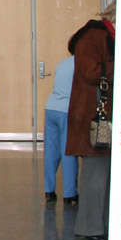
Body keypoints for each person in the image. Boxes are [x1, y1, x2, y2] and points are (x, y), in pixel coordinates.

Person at [65, 2, 116, 240]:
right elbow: (93, 72)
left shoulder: (103, 35)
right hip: (93, 118)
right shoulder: (95, 35)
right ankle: (91, 227)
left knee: (103, 174)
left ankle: (101, 225)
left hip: (98, 115)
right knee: (96, 175)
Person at [43, 51, 79, 207]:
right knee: (68, 151)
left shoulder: (63, 63)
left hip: (51, 107)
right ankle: (69, 193)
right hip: (67, 110)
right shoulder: (83, 64)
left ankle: (49, 191)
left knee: (51, 152)